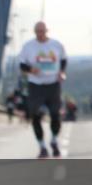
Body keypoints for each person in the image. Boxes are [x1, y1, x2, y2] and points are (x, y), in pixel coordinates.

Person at [18, 21, 67, 158]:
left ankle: (54, 141)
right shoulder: (28, 47)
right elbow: (22, 65)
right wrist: (30, 69)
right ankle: (42, 147)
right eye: (37, 31)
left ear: (46, 31)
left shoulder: (56, 45)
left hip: (53, 84)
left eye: (42, 31)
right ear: (34, 32)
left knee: (55, 114)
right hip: (36, 85)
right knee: (35, 115)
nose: (40, 34)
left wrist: (62, 72)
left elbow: (63, 60)